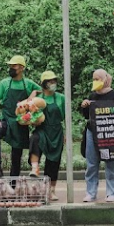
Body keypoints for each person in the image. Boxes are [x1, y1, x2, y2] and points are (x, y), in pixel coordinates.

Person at [0, 55, 42, 179]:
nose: (11, 68)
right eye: (10, 66)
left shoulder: (28, 83)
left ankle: (13, 186)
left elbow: (43, 91)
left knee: (16, 155)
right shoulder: (5, 83)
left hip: (20, 123)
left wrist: (34, 93)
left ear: (22, 68)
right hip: (6, 120)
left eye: (14, 66)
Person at [81, 69, 114, 202]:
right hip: (92, 132)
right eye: (94, 79)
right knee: (92, 163)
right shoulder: (92, 96)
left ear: (105, 79)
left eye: (98, 78)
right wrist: (85, 106)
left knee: (110, 163)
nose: (96, 81)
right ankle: (90, 193)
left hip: (109, 133)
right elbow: (87, 115)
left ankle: (112, 193)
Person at [29, 71, 66, 201]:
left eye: (54, 81)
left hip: (56, 131)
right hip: (42, 129)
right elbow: (29, 113)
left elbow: (66, 117)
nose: (53, 84)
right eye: (50, 81)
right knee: (35, 139)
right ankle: (35, 167)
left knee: (54, 162)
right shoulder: (39, 99)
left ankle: (51, 190)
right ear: (44, 84)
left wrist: (66, 134)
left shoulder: (61, 98)